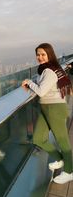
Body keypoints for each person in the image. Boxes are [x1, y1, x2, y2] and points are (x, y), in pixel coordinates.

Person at [22, 43, 73, 184]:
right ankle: (61, 159)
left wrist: (28, 82)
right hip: (46, 107)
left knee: (62, 141)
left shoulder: (49, 71)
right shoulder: (46, 69)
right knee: (38, 138)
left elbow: (42, 91)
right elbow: (43, 87)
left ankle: (69, 171)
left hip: (54, 109)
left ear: (49, 54)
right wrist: (32, 86)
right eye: (38, 54)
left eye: (43, 54)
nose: (40, 57)